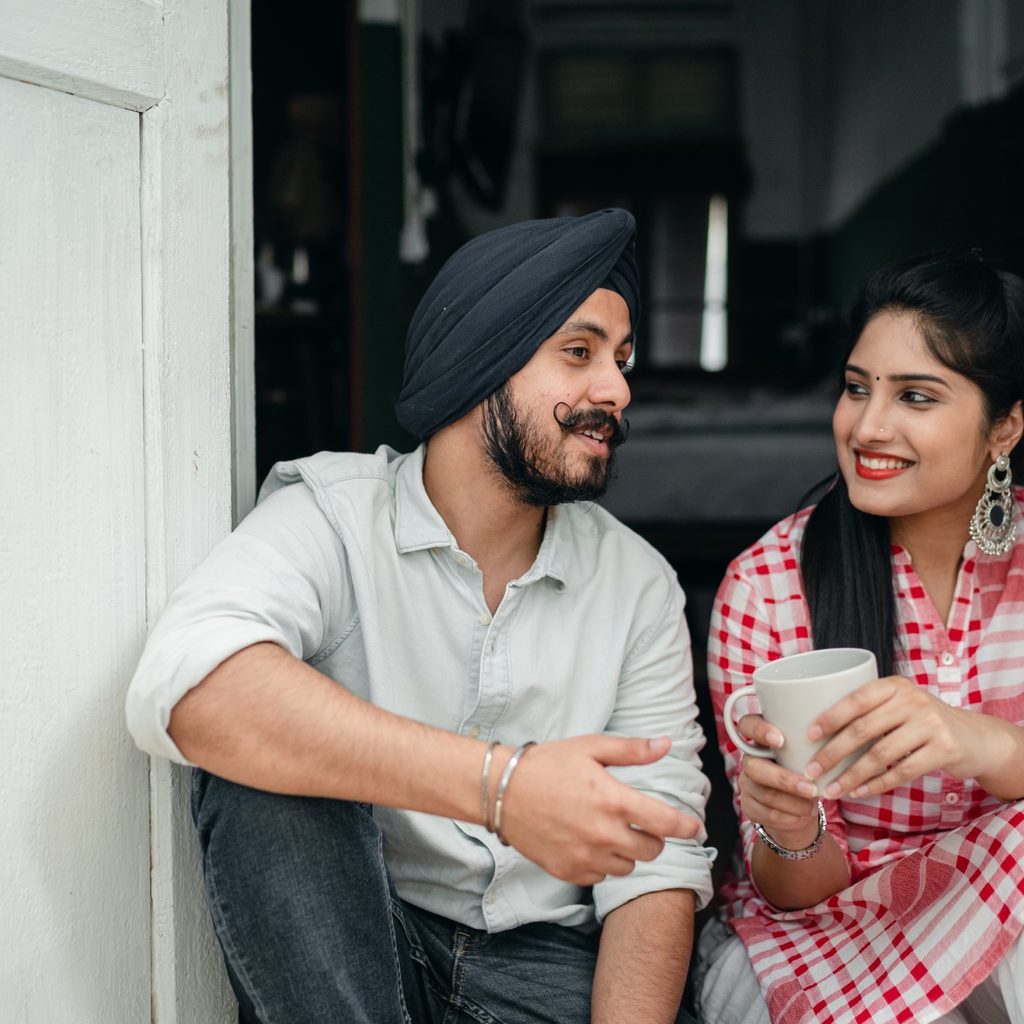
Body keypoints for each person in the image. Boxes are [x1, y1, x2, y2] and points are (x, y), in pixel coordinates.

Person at [126, 208, 713, 1024]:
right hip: (363, 942)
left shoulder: (638, 583)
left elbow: (659, 864)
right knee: (263, 777)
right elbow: (187, 682)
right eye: (577, 353)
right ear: (482, 362)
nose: (615, 389)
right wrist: (500, 789)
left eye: (620, 359)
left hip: (549, 963)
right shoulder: (331, 516)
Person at [695, 251, 1024, 1024]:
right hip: (822, 934)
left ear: (1004, 427)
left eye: (916, 396)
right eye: (856, 388)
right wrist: (789, 829)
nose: (868, 426)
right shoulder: (768, 586)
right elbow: (794, 886)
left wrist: (982, 743)